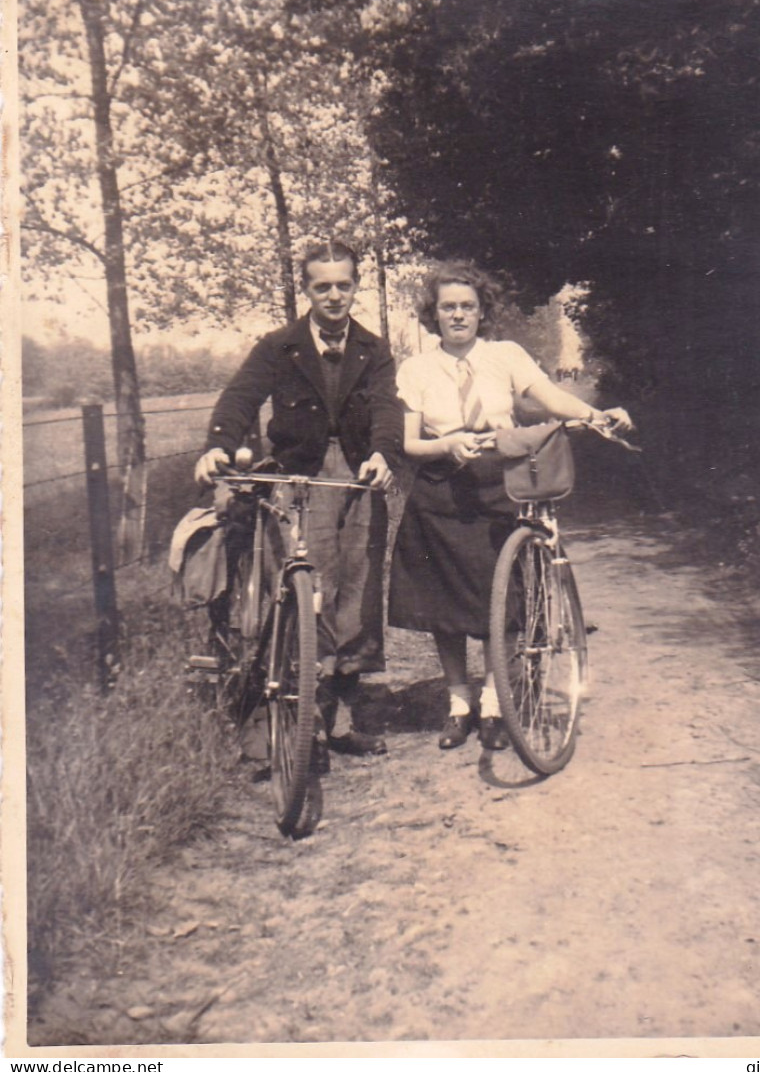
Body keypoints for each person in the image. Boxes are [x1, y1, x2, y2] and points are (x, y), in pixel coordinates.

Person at [388, 260, 632, 752]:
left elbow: (550, 396)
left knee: (500, 598)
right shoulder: (415, 369)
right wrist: (446, 445)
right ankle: (459, 704)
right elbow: (410, 443)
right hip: (439, 488)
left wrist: (596, 414)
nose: (457, 315)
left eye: (467, 307)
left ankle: (496, 701)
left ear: (482, 312)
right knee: (445, 605)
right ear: (432, 315)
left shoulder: (506, 355)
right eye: (447, 307)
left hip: (500, 482)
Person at [194, 240, 403, 761]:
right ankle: (293, 723)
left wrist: (382, 453)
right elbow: (241, 397)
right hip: (297, 477)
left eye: (344, 284)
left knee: (356, 593)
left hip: (357, 478)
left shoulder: (373, 349)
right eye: (322, 286)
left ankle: (339, 722)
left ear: (357, 286)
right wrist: (219, 444)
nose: (334, 296)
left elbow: (386, 407)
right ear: (306, 289)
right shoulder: (279, 345)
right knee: (304, 591)